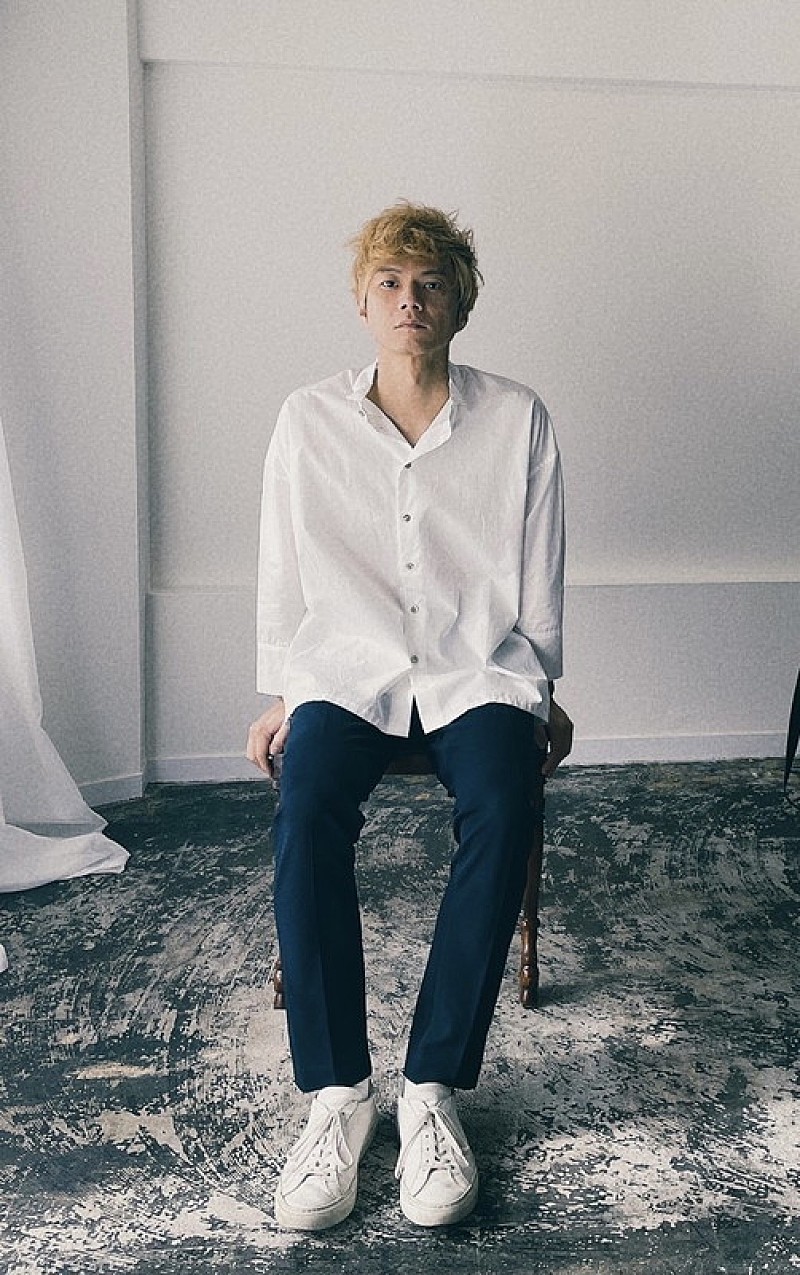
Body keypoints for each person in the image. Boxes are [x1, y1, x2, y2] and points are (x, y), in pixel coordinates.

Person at [246, 202, 572, 1232]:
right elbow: (282, 566)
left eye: (430, 284)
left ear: (459, 306)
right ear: (361, 301)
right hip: (348, 670)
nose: (409, 299)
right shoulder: (306, 419)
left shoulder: (518, 419)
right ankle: (337, 1096)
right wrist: (279, 690)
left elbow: (539, 572)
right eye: (389, 281)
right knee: (308, 804)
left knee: (503, 803)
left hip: (476, 669)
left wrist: (541, 690)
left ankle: (431, 1089)